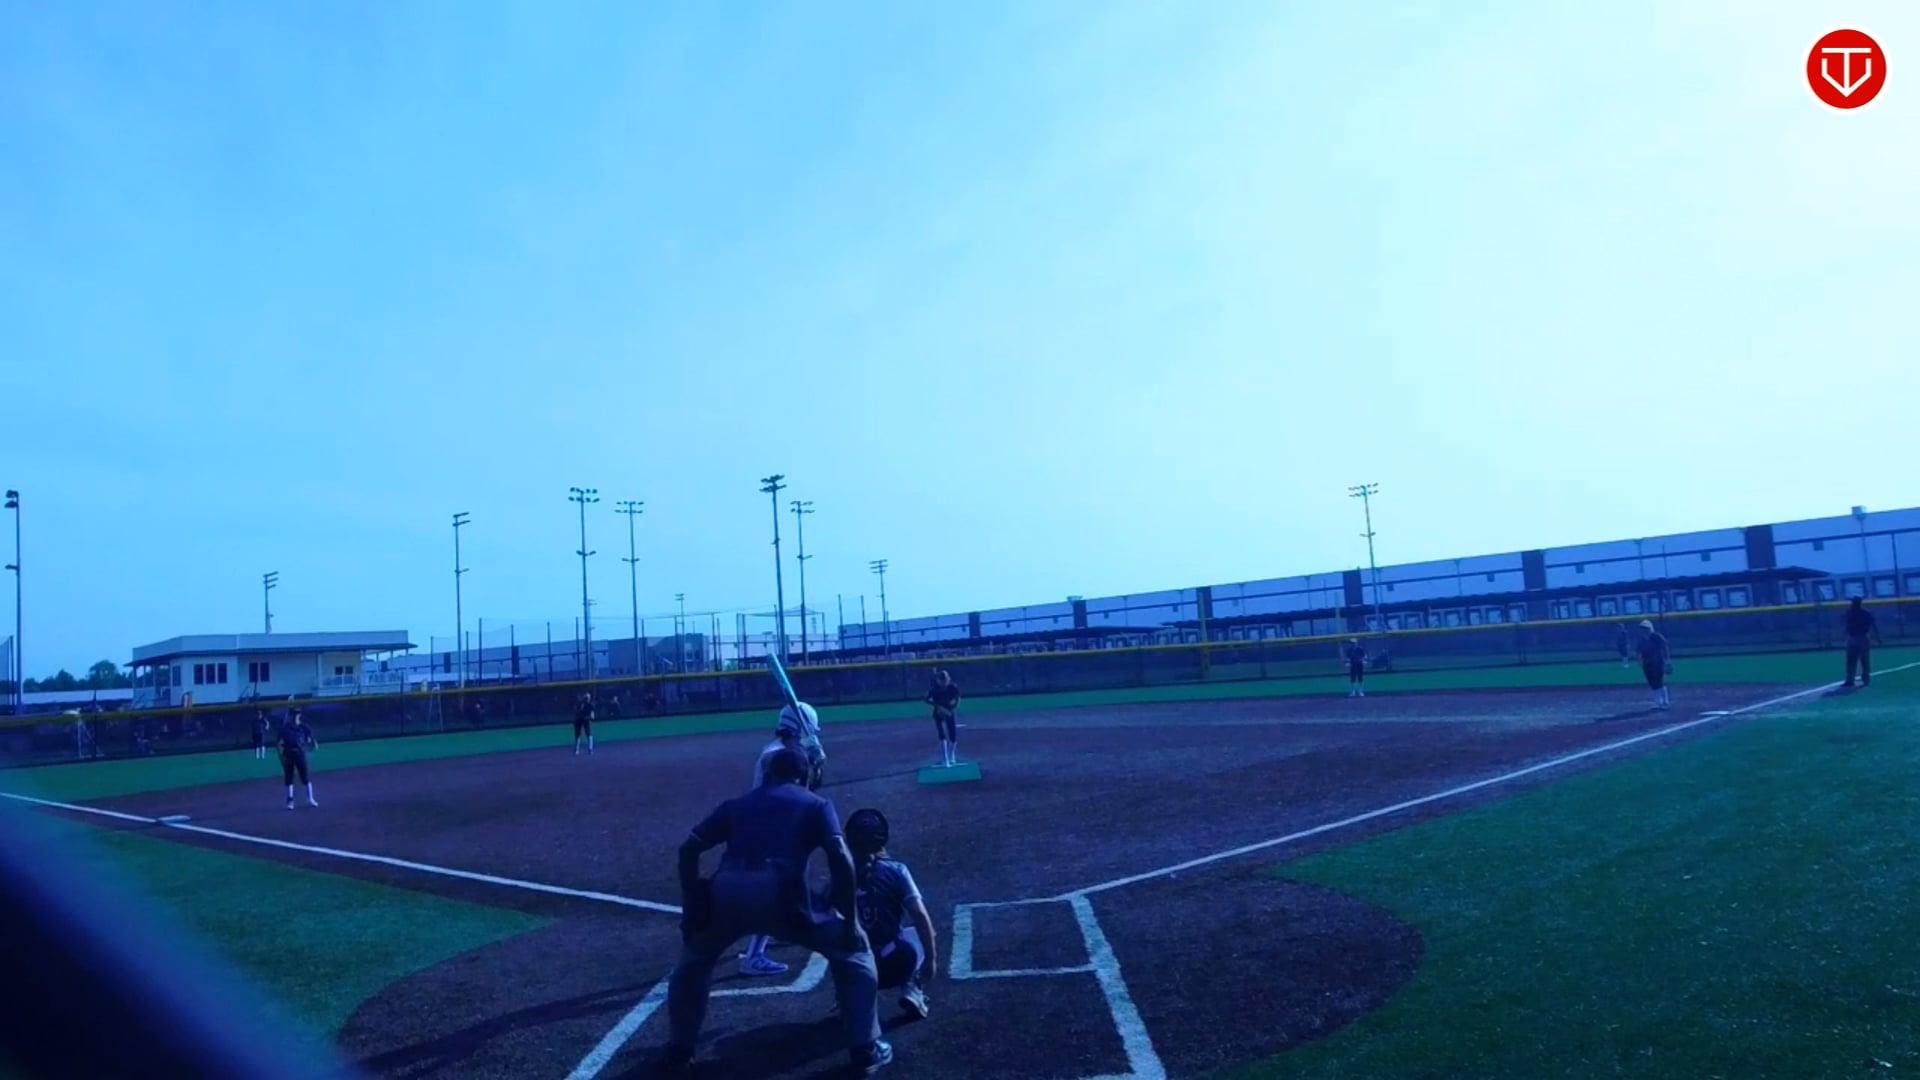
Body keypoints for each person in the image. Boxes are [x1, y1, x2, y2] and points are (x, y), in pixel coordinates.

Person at [659, 746, 892, 1076]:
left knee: (693, 962)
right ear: (806, 775)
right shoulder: (816, 804)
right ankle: (865, 1048)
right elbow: (840, 856)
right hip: (782, 891)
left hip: (726, 889)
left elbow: (689, 848)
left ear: (768, 774)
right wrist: (852, 922)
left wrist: (692, 905)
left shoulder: (737, 804)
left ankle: (679, 1050)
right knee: (854, 953)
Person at [843, 808, 938, 1020]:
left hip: (855, 966)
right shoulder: (895, 870)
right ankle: (912, 989)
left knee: (841, 939)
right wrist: (931, 959)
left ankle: (847, 997)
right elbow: (920, 915)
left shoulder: (841, 873)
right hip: (893, 962)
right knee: (917, 933)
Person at [739, 711, 814, 976]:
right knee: (773, 892)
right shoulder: (775, 754)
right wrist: (808, 760)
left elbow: (804, 792)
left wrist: (814, 763)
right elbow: (786, 791)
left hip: (779, 827)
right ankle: (753, 957)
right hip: (769, 830)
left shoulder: (786, 751)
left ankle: (790, 924)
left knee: (790, 883)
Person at [277, 708, 319, 809]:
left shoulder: (304, 727)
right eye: (293, 714)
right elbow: (278, 744)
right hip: (288, 754)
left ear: (300, 715)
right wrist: (281, 757)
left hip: (300, 753)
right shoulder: (285, 728)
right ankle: (290, 801)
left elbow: (312, 741)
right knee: (289, 778)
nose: (295, 716)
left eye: (297, 714)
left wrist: (312, 744)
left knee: (305, 776)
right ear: (290, 716)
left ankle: (310, 798)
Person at [924, 669, 962, 767]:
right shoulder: (934, 689)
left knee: (953, 734)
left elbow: (958, 698)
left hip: (949, 710)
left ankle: (951, 755)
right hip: (938, 712)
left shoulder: (952, 687)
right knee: (942, 733)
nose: (944, 681)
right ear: (938, 680)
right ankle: (945, 758)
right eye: (941, 680)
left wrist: (953, 708)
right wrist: (938, 706)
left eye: (945, 679)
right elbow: (926, 699)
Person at [1843, 596, 1883, 688]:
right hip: (1854, 638)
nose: (1852, 604)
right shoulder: (1853, 612)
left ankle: (1860, 679)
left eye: (1853, 602)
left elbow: (1873, 625)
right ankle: (1854, 680)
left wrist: (1877, 637)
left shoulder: (1861, 613)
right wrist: (1878, 638)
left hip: (1861, 637)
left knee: (1862, 660)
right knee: (1854, 660)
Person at [1637, 619, 1671, 710]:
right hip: (1647, 663)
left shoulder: (1657, 636)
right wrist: (1639, 660)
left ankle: (1665, 701)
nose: (1644, 630)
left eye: (1645, 628)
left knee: (1659, 681)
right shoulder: (1642, 639)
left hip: (1658, 662)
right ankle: (1658, 702)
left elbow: (1665, 646)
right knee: (1652, 682)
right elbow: (1638, 651)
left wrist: (1667, 660)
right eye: (1642, 628)